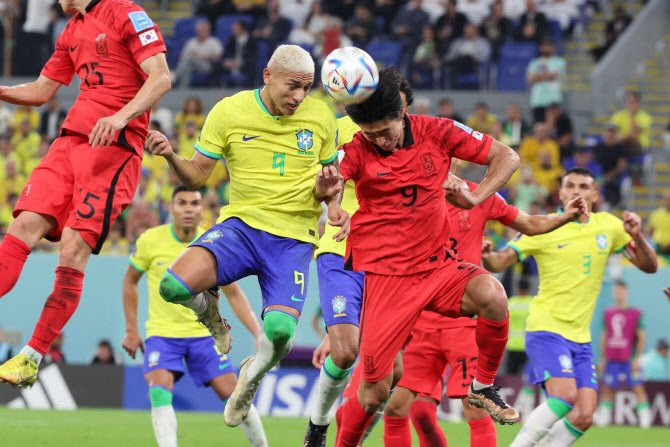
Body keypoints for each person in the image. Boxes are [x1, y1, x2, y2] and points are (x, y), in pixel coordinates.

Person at [145, 44, 344, 429]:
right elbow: (199, 175)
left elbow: (330, 180)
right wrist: (171, 155)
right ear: (268, 76)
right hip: (241, 228)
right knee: (171, 286)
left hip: (292, 239)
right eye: (293, 86)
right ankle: (210, 314)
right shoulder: (229, 111)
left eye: (307, 87)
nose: (300, 96)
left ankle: (250, 377)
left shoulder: (321, 116)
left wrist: (329, 199)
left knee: (281, 334)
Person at [331, 67, 521, 447]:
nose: (381, 141)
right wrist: (333, 201)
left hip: (439, 267)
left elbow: (506, 156)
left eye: (386, 131)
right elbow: (334, 174)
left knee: (494, 296)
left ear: (402, 113)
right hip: (387, 280)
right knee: (374, 395)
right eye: (372, 135)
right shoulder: (357, 146)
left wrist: (477, 195)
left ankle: (483, 385)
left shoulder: (438, 131)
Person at [0, 0, 171, 387]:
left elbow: (160, 77)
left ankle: (30, 357)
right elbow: (43, 90)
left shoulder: (125, 11)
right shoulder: (71, 29)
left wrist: (120, 116)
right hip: (70, 142)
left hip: (115, 149)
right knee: (23, 224)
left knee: (72, 251)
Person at [362, 171, 587, 447]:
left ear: (455, 156)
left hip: (463, 319)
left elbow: (527, 222)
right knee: (397, 407)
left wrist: (563, 217)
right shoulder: (411, 193)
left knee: (474, 405)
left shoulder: (479, 195)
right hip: (420, 320)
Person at [483, 167, 658, 447]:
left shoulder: (610, 227)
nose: (577, 191)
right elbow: (499, 262)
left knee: (585, 415)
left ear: (595, 195)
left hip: (581, 339)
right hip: (547, 328)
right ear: (561, 193)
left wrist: (637, 237)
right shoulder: (542, 226)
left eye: (585, 186)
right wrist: (487, 255)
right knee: (565, 397)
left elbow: (650, 267)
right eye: (571, 185)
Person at [304, 72, 416, 447]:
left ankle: (350, 418)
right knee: (346, 349)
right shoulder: (336, 131)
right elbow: (320, 185)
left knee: (393, 373)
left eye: (399, 107)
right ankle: (318, 425)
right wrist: (327, 199)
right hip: (341, 250)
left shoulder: (418, 139)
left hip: (390, 262)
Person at [122, 185, 268, 447]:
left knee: (236, 397)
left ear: (202, 209)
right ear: (172, 207)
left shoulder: (212, 243)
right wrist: (131, 329)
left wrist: (257, 332)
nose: (188, 209)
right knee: (158, 391)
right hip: (162, 334)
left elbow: (234, 294)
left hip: (205, 336)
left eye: (194, 203)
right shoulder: (149, 240)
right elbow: (129, 282)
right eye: (182, 203)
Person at [595, 280, 650, 429]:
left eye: (621, 291)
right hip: (612, 358)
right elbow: (604, 336)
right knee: (607, 388)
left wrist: (637, 358)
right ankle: (604, 419)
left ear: (626, 292)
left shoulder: (636, 313)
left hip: (629, 358)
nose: (618, 293)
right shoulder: (608, 313)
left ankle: (645, 420)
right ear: (614, 292)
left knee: (638, 387)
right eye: (616, 290)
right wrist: (602, 358)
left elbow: (641, 337)